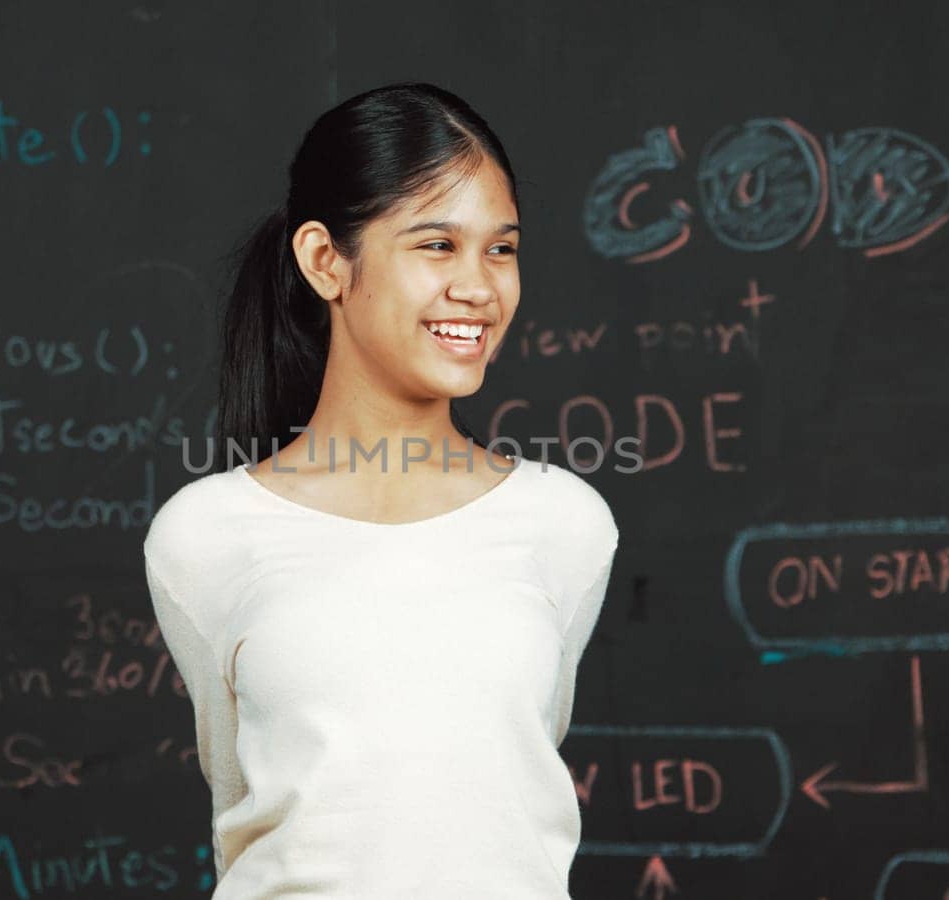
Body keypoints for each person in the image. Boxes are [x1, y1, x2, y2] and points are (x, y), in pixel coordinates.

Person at [143, 81, 620, 898]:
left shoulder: (565, 524)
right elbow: (244, 801)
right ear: (325, 261)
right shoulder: (206, 535)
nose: (478, 287)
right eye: (437, 245)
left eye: (500, 250)